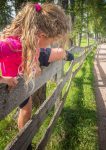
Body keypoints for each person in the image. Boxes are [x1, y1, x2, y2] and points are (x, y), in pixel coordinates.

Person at [0, 2, 73, 150]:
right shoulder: (10, 45)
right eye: (50, 41)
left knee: (58, 52)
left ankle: (66, 54)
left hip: (26, 67)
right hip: (16, 80)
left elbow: (35, 51)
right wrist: (3, 79)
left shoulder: (32, 41)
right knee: (27, 108)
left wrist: (34, 65)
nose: (49, 43)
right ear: (41, 35)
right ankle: (24, 142)